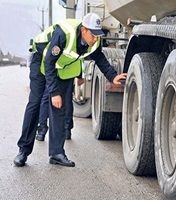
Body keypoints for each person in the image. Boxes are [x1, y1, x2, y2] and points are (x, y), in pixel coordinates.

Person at [13, 13, 127, 167]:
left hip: (63, 68)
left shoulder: (94, 40)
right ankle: (23, 151)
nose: (95, 38)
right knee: (35, 103)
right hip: (41, 61)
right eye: (93, 34)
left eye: (97, 34)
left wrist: (112, 76)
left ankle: (56, 153)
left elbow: (99, 57)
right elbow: (48, 62)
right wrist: (53, 93)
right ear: (84, 30)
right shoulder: (63, 34)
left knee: (59, 108)